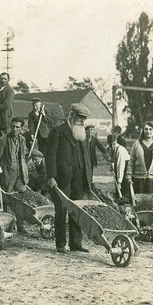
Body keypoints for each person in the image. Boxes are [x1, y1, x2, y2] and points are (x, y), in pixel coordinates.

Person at [46, 103, 94, 253]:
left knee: (78, 209)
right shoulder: (58, 131)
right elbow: (51, 156)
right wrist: (51, 176)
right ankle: (60, 244)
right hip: (62, 177)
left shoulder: (84, 134)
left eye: (84, 119)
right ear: (71, 116)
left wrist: (88, 178)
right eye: (79, 118)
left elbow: (87, 157)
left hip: (80, 176)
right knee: (61, 210)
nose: (81, 121)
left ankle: (76, 243)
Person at [126, 122, 153, 195]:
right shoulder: (137, 144)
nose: (148, 131)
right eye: (146, 129)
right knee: (139, 202)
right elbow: (131, 161)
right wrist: (129, 175)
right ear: (143, 130)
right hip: (139, 180)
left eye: (150, 129)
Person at [0, 117, 29, 193]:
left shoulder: (22, 140)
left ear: (21, 128)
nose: (14, 129)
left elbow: (22, 156)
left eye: (17, 127)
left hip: (21, 171)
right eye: (13, 126)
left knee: (20, 193)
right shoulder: (3, 140)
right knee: (8, 194)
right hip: (8, 172)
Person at [107, 134, 130, 199]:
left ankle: (125, 202)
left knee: (124, 190)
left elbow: (121, 166)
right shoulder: (111, 148)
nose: (112, 145)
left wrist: (119, 182)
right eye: (110, 144)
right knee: (118, 190)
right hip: (120, 168)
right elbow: (112, 160)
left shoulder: (120, 150)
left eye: (113, 143)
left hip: (125, 169)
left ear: (116, 141)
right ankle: (119, 199)